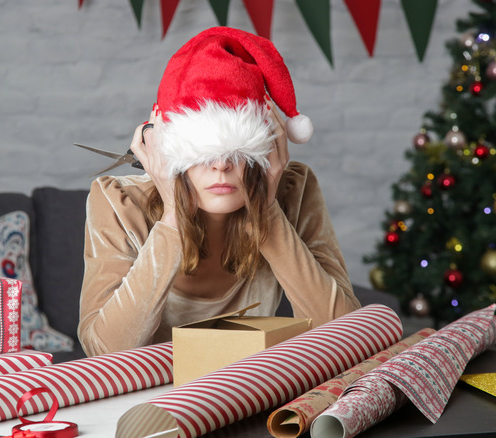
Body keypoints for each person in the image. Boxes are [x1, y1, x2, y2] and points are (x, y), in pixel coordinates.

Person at [78, 27, 360, 356]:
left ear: (264, 148)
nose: (221, 166)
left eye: (238, 149)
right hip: (153, 399)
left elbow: (345, 335)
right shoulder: (117, 201)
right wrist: (172, 216)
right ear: (170, 150)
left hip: (248, 393)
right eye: (201, 150)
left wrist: (266, 210)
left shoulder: (293, 189)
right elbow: (103, 351)